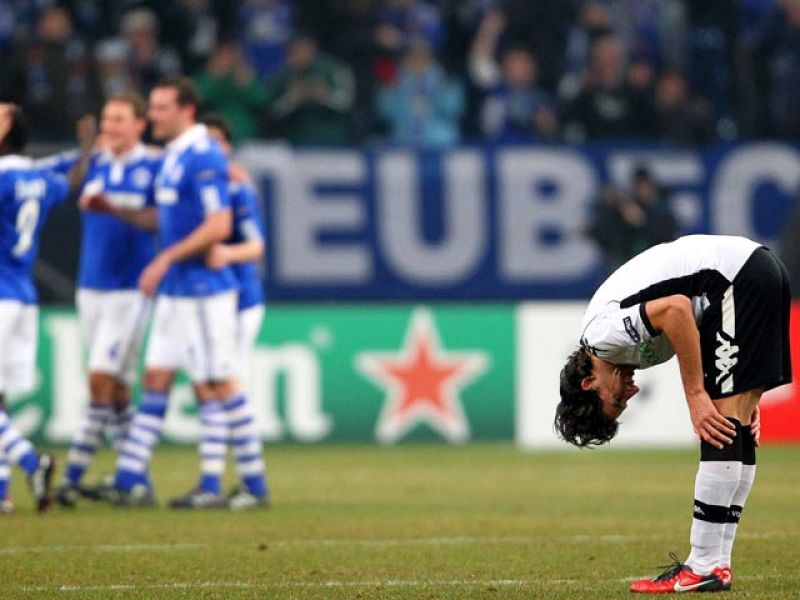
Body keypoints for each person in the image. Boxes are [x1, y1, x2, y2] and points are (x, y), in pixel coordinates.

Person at [555, 235, 792, 593]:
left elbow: (677, 310)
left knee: (716, 423)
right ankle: (718, 564)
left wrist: (696, 394)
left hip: (733, 277)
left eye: (617, 400)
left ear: (589, 382)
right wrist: (745, 393)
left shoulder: (603, 336)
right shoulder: (619, 352)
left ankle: (703, 565)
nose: (629, 392)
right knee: (734, 423)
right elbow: (694, 320)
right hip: (756, 269)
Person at [109, 76, 267, 509]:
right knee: (157, 376)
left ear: (186, 111)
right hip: (177, 289)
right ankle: (128, 478)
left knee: (219, 382)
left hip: (201, 287)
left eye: (160, 108)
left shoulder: (203, 156)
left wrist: (163, 259)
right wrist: (114, 208)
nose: (153, 115)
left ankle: (248, 484)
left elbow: (218, 225)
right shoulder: (175, 157)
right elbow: (164, 219)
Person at [52, 92, 161, 508]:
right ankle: (136, 478)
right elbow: (59, 181)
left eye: (119, 120)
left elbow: (160, 219)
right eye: (106, 121)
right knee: (115, 389)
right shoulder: (95, 161)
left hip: (129, 291)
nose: (110, 128)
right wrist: (83, 151)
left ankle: (70, 477)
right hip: (90, 287)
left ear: (139, 125)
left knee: (97, 377)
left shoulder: (152, 166)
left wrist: (114, 208)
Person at [0, 103, 94, 512]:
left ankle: (31, 461)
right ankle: (2, 492)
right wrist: (87, 147)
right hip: (22, 296)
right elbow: (71, 180)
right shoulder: (36, 178)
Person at [201, 113, 269, 509]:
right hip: (208, 299)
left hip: (240, 300)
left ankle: (248, 483)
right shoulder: (198, 184)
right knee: (210, 385)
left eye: (216, 142)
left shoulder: (237, 189)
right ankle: (211, 481)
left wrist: (225, 252)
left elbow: (256, 247)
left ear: (226, 148)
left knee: (227, 386)